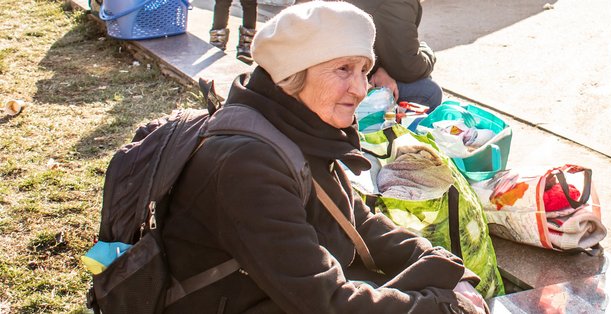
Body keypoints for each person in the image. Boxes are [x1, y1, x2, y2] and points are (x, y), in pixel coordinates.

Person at [163, 1, 488, 313]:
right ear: (292, 75)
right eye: (344, 69)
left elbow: (357, 222)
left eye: (364, 70)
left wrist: (446, 270)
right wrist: (442, 307)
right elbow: (324, 302)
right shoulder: (248, 166)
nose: (360, 89)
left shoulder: (296, 124)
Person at [345, 0, 443, 111]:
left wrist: (378, 68)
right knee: (430, 91)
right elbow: (409, 66)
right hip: (343, 78)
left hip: (345, 66)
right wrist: (428, 52)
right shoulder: (397, 3)